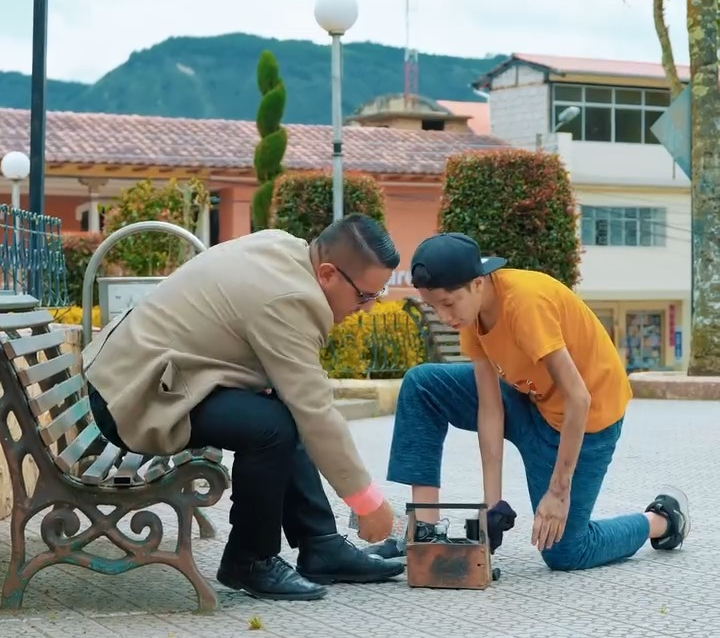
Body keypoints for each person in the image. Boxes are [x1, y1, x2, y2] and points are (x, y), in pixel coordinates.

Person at [82, 213, 405, 601]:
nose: (368, 308)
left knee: (280, 408)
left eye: (376, 296)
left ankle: (320, 545)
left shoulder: (282, 246)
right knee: (271, 427)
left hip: (142, 378)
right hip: (134, 399)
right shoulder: (290, 299)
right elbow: (316, 411)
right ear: (328, 274)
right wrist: (367, 503)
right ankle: (250, 560)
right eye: (364, 296)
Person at [366, 232, 690, 570]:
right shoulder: (470, 316)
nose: (445, 316)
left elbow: (579, 397)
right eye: (434, 307)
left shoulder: (525, 303)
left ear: (478, 283)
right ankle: (425, 529)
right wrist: (492, 506)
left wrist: (558, 492)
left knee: (566, 552)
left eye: (448, 303)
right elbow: (489, 409)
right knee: (423, 385)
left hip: (586, 419)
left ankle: (662, 519)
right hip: (526, 400)